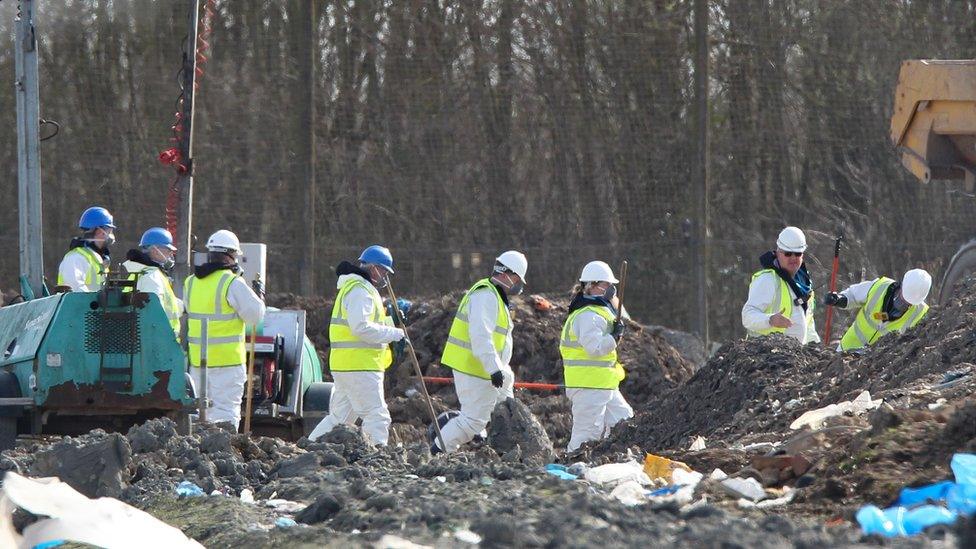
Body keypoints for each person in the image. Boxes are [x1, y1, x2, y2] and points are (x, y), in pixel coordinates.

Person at [307, 245, 407, 446]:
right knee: (376, 416)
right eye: (384, 272)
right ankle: (377, 457)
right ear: (375, 268)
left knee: (339, 419)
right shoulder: (361, 291)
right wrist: (395, 334)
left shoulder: (354, 288)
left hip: (348, 365)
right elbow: (361, 328)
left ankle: (310, 448)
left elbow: (368, 323)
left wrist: (390, 321)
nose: (385, 278)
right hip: (360, 367)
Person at [432, 250, 527, 454]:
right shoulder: (485, 295)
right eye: (518, 279)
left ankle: (508, 453)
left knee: (508, 411)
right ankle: (438, 450)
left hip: (490, 370)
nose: (519, 284)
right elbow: (480, 336)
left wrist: (501, 370)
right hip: (475, 370)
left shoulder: (495, 297)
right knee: (473, 422)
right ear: (507, 275)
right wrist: (494, 369)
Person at [184, 230, 265, 431]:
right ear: (231, 255)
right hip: (226, 363)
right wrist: (257, 294)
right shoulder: (231, 283)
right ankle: (222, 453)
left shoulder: (190, 282)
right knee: (225, 414)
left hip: (198, 363)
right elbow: (255, 316)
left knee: (199, 414)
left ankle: (199, 454)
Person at [562, 261, 632, 452]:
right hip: (589, 386)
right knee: (586, 435)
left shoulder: (599, 311)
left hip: (603, 384)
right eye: (606, 285)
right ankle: (572, 472)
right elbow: (595, 348)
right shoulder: (587, 315)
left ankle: (613, 460)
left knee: (625, 422)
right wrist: (614, 337)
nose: (611, 290)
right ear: (592, 286)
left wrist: (614, 335)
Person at [742, 226, 820, 344]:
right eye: (788, 254)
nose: (793, 258)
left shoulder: (805, 284)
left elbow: (808, 323)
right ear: (778, 253)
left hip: (796, 356)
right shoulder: (768, 279)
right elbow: (747, 316)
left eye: (797, 254)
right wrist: (770, 319)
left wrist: (815, 346)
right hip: (764, 355)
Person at [824, 269, 932, 352]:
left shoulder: (921, 313)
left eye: (909, 303)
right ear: (901, 285)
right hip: (848, 347)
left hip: (877, 364)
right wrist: (839, 299)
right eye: (903, 297)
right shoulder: (880, 286)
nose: (904, 303)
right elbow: (853, 295)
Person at [122, 227, 183, 337]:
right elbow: (154, 313)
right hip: (158, 343)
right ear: (155, 251)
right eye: (168, 250)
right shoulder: (152, 276)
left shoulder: (141, 272)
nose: (171, 254)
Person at [57, 206, 115, 291]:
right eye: (109, 230)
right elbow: (75, 290)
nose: (110, 234)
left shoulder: (99, 260)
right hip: (80, 304)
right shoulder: (76, 258)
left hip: (94, 304)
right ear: (100, 231)